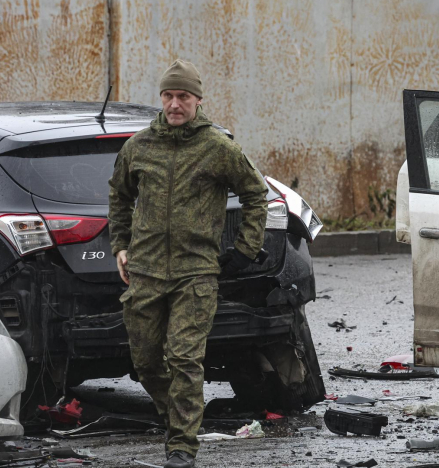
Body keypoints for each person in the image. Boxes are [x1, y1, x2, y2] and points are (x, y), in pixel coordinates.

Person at [108, 59, 268, 468]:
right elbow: (119, 196)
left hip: (194, 273)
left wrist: (244, 250)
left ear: (198, 100)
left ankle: (181, 446)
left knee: (183, 357)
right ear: (161, 98)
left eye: (183, 97)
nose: (175, 104)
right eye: (168, 96)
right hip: (144, 271)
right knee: (145, 361)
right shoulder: (139, 146)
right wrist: (120, 244)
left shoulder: (217, 147)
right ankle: (180, 417)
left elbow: (255, 193)